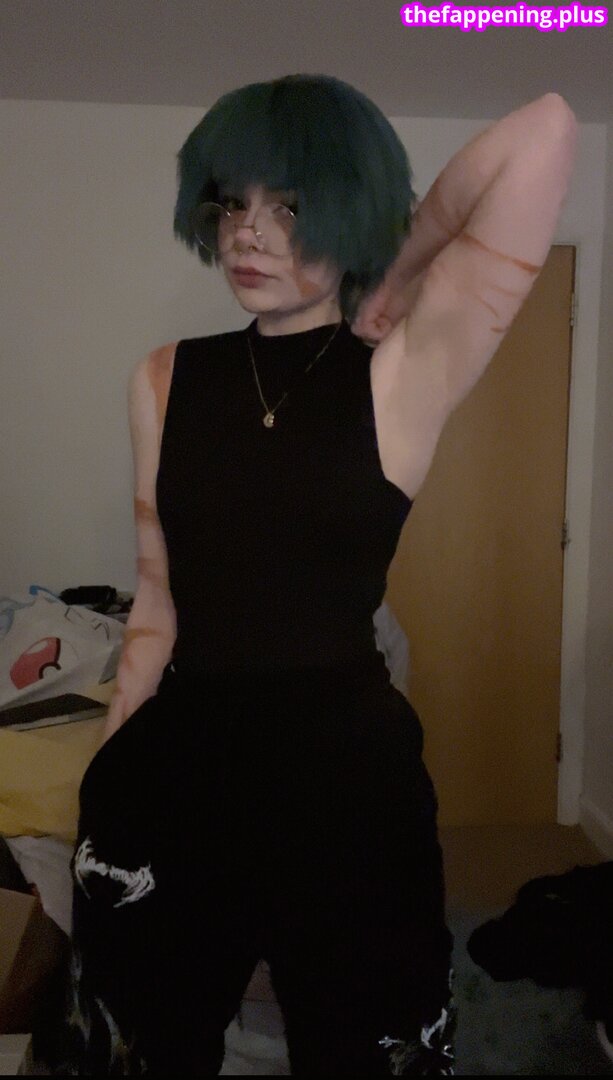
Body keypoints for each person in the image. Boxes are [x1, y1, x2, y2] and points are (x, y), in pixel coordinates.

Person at [58, 74, 577, 1076]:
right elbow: (157, 598)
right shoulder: (163, 376)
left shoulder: (401, 372)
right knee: (154, 1038)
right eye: (232, 204)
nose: (247, 234)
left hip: (344, 776)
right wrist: (112, 769)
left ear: (349, 207)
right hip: (183, 759)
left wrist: (396, 269)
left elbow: (546, 131)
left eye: (289, 206)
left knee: (356, 1043)